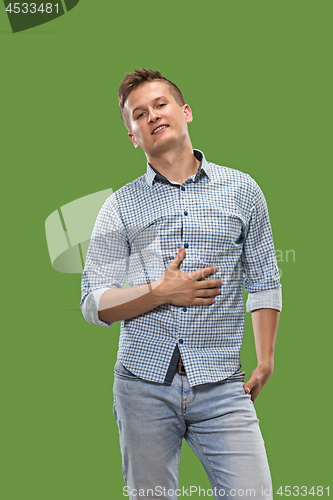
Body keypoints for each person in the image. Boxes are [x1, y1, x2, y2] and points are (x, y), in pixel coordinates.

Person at [80, 69, 281, 500]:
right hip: (142, 388)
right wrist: (159, 293)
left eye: (160, 104)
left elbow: (265, 279)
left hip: (224, 384)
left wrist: (265, 360)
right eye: (139, 114)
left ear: (185, 112)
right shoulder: (118, 207)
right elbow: (93, 302)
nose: (152, 116)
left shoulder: (243, 191)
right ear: (133, 136)